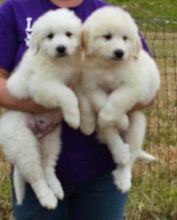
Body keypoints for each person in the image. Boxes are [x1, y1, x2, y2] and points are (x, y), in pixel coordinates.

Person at [0, 0, 150, 219]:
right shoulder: (13, 9)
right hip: (36, 151)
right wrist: (41, 103)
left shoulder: (105, 13)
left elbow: (145, 82)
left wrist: (106, 103)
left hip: (101, 169)